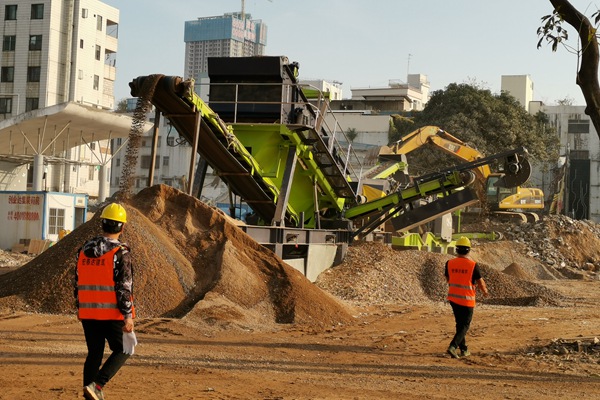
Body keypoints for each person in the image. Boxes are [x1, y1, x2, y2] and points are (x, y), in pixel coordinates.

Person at [74, 203, 135, 400]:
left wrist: (79, 306)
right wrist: (127, 315)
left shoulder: (83, 250)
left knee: (94, 354)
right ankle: (98, 385)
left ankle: (89, 393)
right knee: (124, 348)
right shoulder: (120, 253)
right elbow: (124, 287)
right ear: (122, 227)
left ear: (102, 224)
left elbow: (77, 279)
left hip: (88, 313)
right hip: (111, 313)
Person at [445, 236, 488, 359]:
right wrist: (484, 291)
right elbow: (480, 281)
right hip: (467, 300)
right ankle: (453, 346)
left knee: (459, 324)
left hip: (453, 298)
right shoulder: (472, 265)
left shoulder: (449, 263)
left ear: (457, 250)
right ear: (468, 250)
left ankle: (464, 349)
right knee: (465, 325)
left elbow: (448, 279)